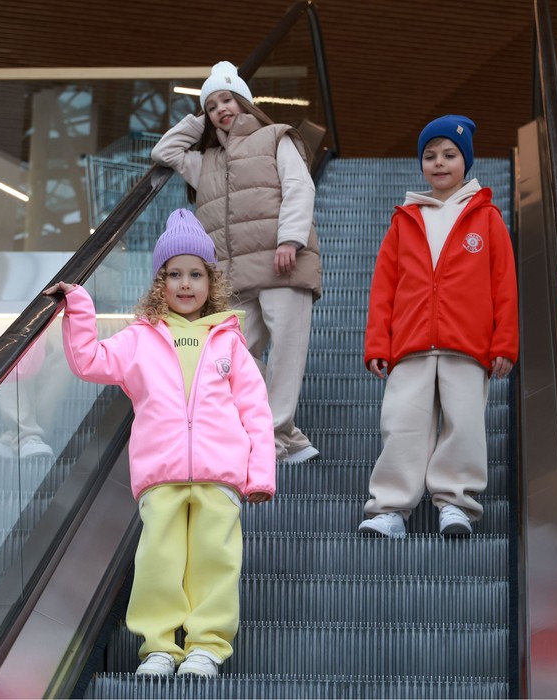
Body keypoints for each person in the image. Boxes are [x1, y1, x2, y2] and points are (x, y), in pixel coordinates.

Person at [43, 208, 276, 677]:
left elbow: (256, 412)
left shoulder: (229, 341)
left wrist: (260, 474)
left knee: (216, 560)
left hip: (220, 473)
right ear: (159, 283)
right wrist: (79, 305)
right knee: (158, 560)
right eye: (174, 274)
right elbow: (90, 360)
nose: (185, 284)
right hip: (161, 473)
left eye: (196, 274)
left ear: (211, 281)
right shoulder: (139, 338)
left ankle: (207, 646)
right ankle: (159, 647)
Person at [151, 60, 321, 463]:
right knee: (228, 356)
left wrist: (290, 239)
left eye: (227, 99)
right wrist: (201, 120)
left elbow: (299, 187)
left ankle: (274, 436)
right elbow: (164, 151)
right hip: (234, 276)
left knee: (286, 355)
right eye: (212, 106)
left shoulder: (275, 137)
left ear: (244, 100)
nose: (220, 109)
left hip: (282, 263)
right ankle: (288, 435)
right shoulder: (206, 160)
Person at [358, 115, 518, 539]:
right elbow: (384, 287)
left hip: (467, 343)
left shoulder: (486, 217)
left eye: (449, 154)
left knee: (464, 425)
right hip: (410, 343)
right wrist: (378, 343)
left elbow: (504, 284)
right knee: (402, 424)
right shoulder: (405, 219)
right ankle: (391, 509)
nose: (440, 163)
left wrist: (504, 342)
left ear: (466, 161)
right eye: (430, 156)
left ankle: (455, 502)